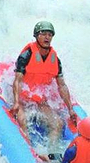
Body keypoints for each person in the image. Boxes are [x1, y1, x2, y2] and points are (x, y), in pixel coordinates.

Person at [11, 21, 77, 151]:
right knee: (23, 120)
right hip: (23, 98)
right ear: (36, 36)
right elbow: (18, 80)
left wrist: (70, 109)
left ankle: (52, 155)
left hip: (39, 99)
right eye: (43, 34)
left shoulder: (55, 60)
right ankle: (31, 155)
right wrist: (16, 102)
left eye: (50, 35)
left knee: (57, 123)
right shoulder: (26, 55)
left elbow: (62, 85)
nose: (47, 37)